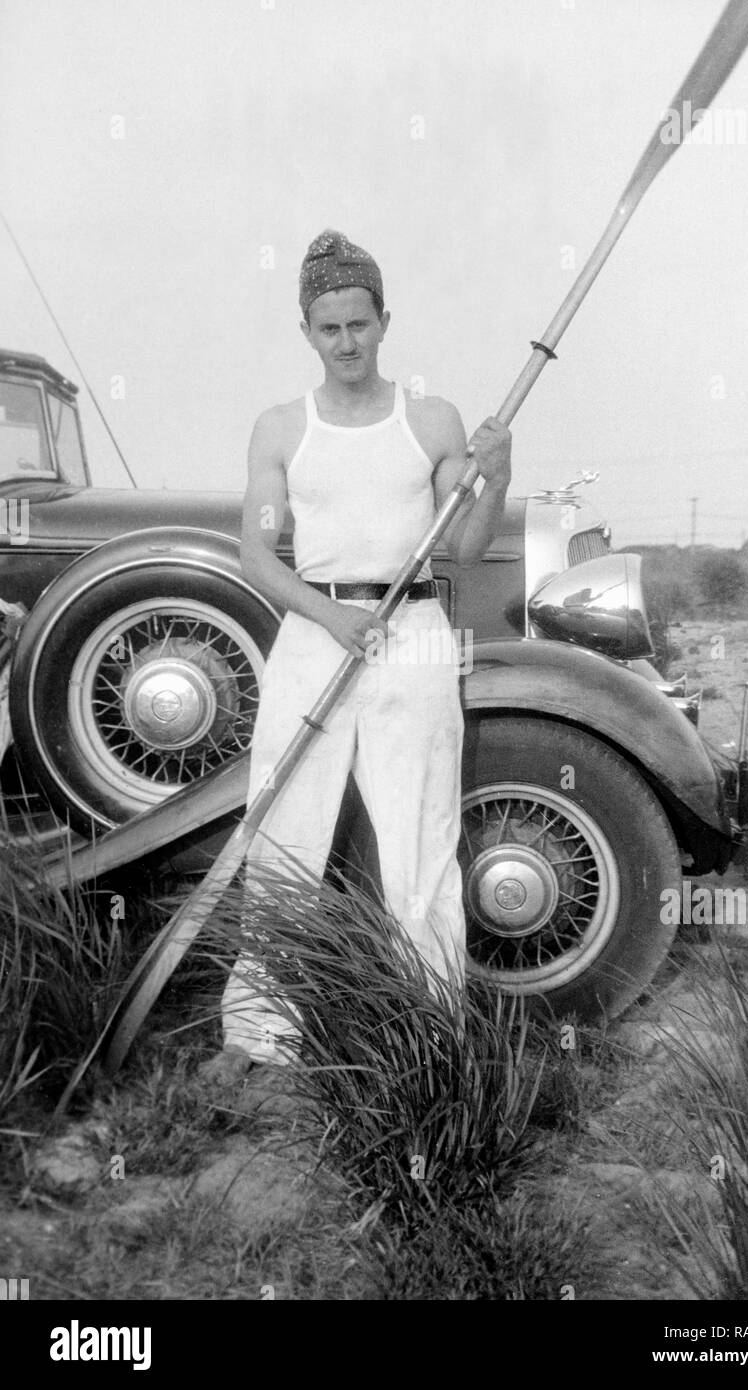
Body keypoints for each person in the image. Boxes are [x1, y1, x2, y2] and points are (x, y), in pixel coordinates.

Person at [217, 229, 512, 1073]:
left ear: (385, 321)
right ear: (305, 332)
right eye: (327, 328)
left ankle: (434, 1028)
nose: (346, 343)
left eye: (359, 324)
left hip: (411, 638)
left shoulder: (431, 421)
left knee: (419, 839)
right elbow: (255, 554)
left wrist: (498, 468)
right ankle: (257, 1034)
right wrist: (331, 618)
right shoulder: (280, 429)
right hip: (315, 638)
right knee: (282, 836)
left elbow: (464, 545)